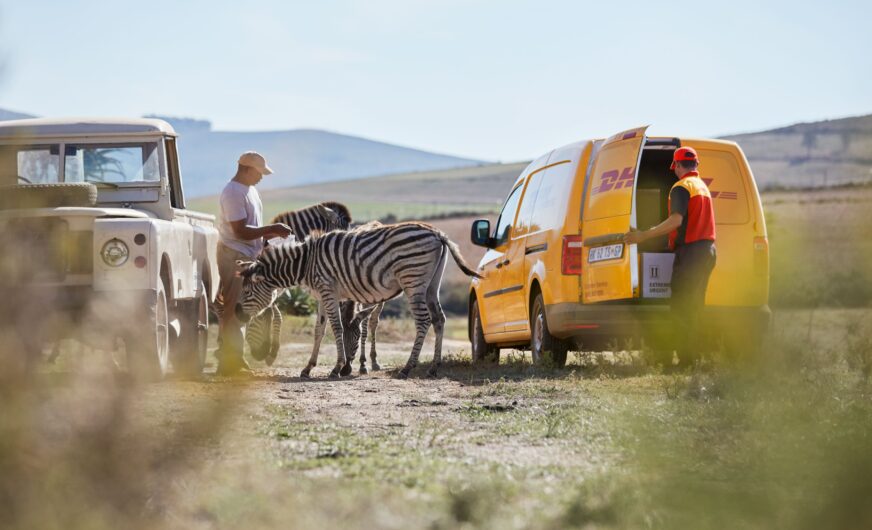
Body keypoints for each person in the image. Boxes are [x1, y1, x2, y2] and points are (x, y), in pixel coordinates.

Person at [623, 147, 717, 366]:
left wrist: (643, 236)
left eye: (674, 167)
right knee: (694, 307)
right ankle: (694, 360)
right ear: (696, 165)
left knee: (682, 306)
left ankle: (686, 361)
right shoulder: (701, 186)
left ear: (676, 166)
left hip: (692, 253)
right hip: (708, 251)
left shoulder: (681, 187)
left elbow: (676, 221)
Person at [215, 151, 291, 375]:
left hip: (248, 255)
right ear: (247, 169)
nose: (261, 177)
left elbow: (252, 226)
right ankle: (231, 362)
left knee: (243, 307)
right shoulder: (232, 193)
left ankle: (232, 359)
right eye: (259, 173)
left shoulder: (251, 191)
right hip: (234, 254)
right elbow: (239, 230)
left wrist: (266, 242)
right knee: (233, 309)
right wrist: (272, 229)